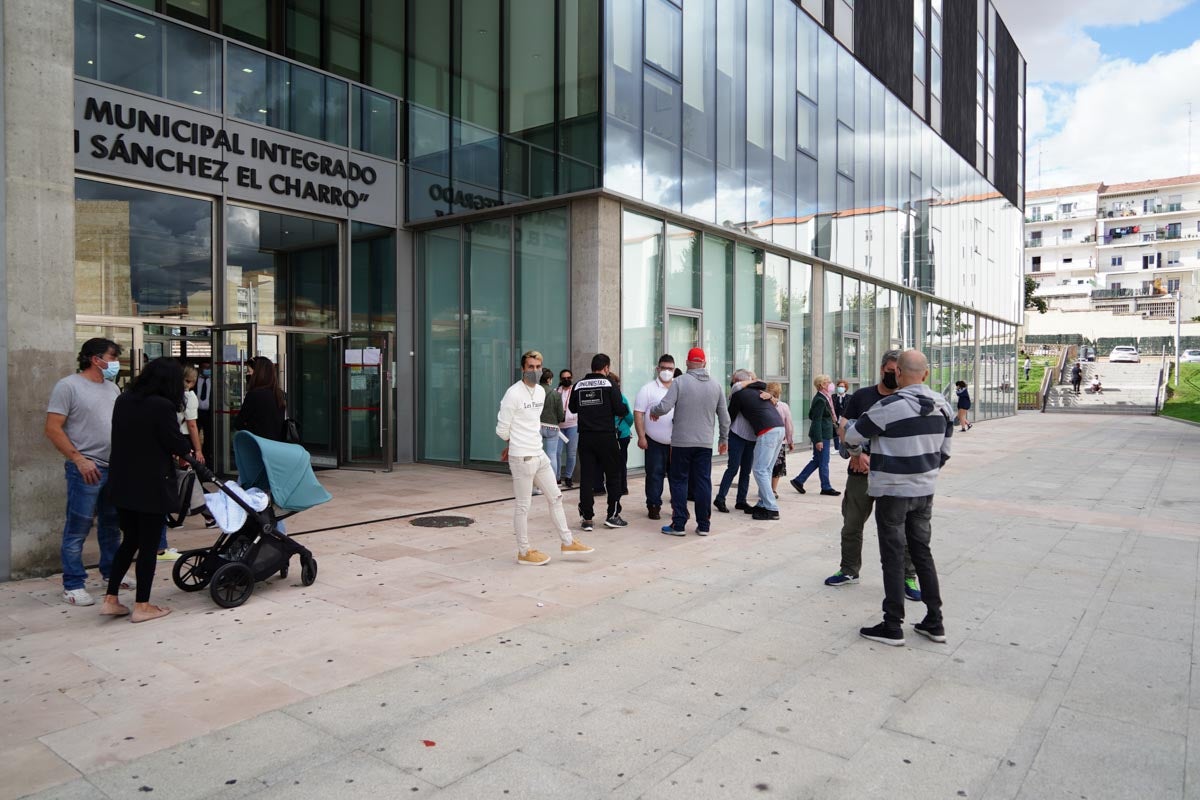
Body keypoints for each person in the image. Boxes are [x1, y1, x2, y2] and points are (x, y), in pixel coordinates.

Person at [843, 349, 954, 647]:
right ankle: (935, 620)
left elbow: (852, 436)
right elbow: (945, 453)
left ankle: (892, 624)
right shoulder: (943, 406)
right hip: (924, 491)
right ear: (926, 374)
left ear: (898, 374)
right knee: (922, 553)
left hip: (892, 491)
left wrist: (858, 453)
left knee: (892, 556)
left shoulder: (888, 407)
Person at [99, 357, 196, 623]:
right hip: (151, 486)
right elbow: (174, 441)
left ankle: (111, 599)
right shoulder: (162, 406)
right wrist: (187, 452)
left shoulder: (124, 399)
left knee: (129, 541)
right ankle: (142, 604)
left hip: (122, 483)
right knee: (149, 545)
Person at [825, 351, 920, 603]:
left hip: (895, 477)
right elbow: (844, 427)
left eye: (899, 370)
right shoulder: (862, 396)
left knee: (900, 528)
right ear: (883, 369)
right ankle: (849, 570)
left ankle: (907, 576)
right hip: (860, 473)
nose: (895, 375)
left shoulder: (908, 399)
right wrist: (856, 455)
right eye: (891, 370)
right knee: (852, 524)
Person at [45, 338, 128, 606]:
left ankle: (110, 574)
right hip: (85, 469)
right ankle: (73, 584)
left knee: (111, 525)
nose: (115, 363)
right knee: (78, 526)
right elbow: (53, 428)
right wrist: (78, 459)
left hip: (112, 467)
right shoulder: (68, 386)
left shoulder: (112, 388)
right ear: (95, 359)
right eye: (112, 357)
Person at [496, 351, 594, 566]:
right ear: (523, 368)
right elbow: (502, 429)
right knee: (523, 506)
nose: (534, 370)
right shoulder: (513, 394)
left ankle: (567, 542)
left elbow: (531, 423)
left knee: (556, 497)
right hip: (522, 457)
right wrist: (514, 443)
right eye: (530, 366)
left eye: (538, 366)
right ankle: (524, 551)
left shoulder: (541, 392)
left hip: (539, 454)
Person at [650, 347, 730, 536]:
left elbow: (665, 406)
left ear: (686, 363)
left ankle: (678, 525)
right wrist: (723, 438)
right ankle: (704, 525)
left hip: (681, 443)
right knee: (703, 482)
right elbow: (725, 418)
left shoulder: (679, 382)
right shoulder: (716, 386)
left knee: (679, 481)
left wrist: (654, 411)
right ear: (704, 363)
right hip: (704, 443)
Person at [568, 354, 629, 531]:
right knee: (613, 475)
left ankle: (587, 518)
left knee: (587, 478)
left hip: (586, 437)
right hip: (606, 436)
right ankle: (612, 515)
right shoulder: (609, 384)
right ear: (606, 368)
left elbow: (572, 408)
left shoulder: (578, 385)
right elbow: (620, 409)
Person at [727, 372, 787, 521]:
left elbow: (729, 417)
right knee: (766, 469)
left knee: (760, 470)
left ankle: (771, 508)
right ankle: (762, 503)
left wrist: (724, 435)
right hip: (779, 428)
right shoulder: (759, 392)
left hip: (767, 431)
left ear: (737, 382)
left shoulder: (738, 393)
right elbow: (761, 384)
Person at [634, 354, 677, 520]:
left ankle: (677, 506)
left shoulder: (679, 387)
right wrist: (641, 436)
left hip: (677, 443)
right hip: (654, 442)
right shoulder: (648, 389)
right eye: (664, 368)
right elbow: (638, 413)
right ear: (657, 369)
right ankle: (653, 505)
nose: (667, 371)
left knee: (677, 476)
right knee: (654, 475)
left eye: (670, 369)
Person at [713, 370, 757, 515]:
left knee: (746, 470)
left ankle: (741, 500)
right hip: (737, 435)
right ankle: (720, 498)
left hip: (751, 437)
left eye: (733, 379)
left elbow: (763, 384)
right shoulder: (737, 389)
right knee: (733, 468)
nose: (732, 382)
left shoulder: (754, 391)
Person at [790, 374, 841, 497]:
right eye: (828, 382)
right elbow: (816, 420)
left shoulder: (825, 397)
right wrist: (818, 440)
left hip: (824, 433)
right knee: (823, 461)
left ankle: (799, 480)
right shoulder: (820, 399)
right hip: (821, 435)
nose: (831, 384)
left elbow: (812, 414)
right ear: (822, 385)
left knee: (818, 460)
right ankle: (826, 487)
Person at [235, 356, 286, 441]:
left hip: (257, 444)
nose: (247, 375)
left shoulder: (253, 395)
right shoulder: (280, 394)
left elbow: (238, 423)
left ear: (258, 374)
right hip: (276, 445)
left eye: (249, 372)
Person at [609, 372, 634, 508]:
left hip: (611, 434)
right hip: (622, 433)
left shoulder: (607, 398)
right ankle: (623, 487)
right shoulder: (622, 398)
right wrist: (625, 428)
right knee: (622, 461)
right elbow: (629, 417)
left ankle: (613, 486)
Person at [538, 368, 565, 495]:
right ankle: (552, 485)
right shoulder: (555, 394)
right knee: (552, 456)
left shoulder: (535, 392)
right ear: (549, 379)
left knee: (536, 456)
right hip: (552, 427)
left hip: (537, 426)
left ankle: (537, 486)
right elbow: (561, 416)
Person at [765, 382, 793, 496]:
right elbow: (789, 425)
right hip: (779, 441)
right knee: (777, 465)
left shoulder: (763, 405)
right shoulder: (784, 406)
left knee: (764, 464)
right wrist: (790, 441)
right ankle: (773, 489)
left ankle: (764, 488)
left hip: (765, 439)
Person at [556, 369, 579, 488]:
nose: (566, 380)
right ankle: (557, 477)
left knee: (571, 454)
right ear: (560, 379)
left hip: (572, 426)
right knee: (557, 453)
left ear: (572, 377)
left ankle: (569, 477)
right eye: (564, 378)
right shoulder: (556, 392)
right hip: (559, 427)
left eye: (568, 377)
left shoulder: (575, 391)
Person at [195, 358, 213, 465]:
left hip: (209, 413)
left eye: (208, 368)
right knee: (194, 434)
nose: (207, 370)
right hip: (196, 412)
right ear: (200, 369)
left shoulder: (215, 381)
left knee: (209, 437)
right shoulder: (195, 380)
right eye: (204, 368)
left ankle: (207, 459)